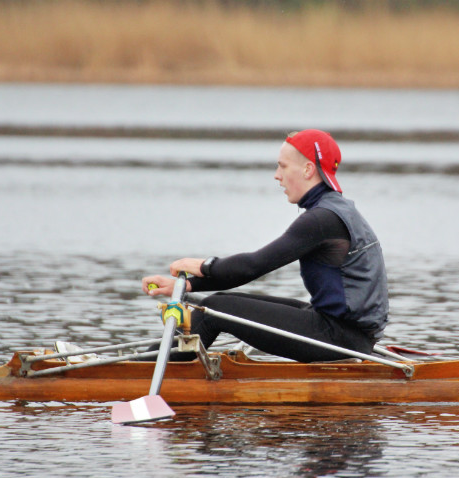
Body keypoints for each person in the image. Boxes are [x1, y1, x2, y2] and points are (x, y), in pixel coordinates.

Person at [141, 129, 389, 363]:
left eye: (283, 166)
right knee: (218, 303)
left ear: (307, 169)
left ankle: (139, 370)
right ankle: (145, 363)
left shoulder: (322, 219)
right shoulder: (337, 210)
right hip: (348, 334)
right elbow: (246, 271)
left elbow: (252, 266)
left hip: (341, 339)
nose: (277, 175)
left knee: (212, 310)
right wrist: (187, 285)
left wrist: (205, 266)